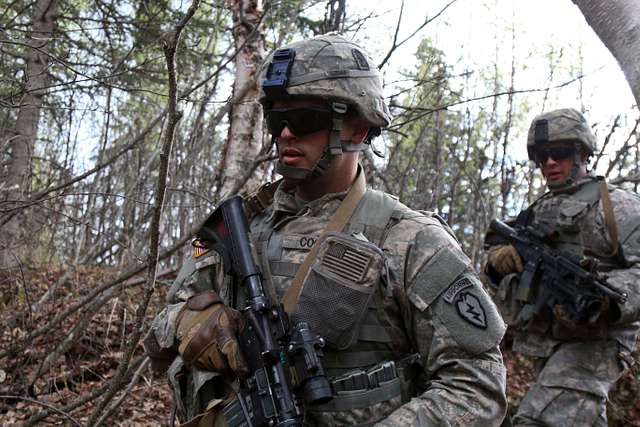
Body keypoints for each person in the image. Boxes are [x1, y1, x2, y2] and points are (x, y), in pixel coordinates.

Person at [145, 33, 507, 426]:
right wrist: (191, 323)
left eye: (303, 120)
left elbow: (477, 386)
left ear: (357, 127)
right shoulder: (235, 230)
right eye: (276, 120)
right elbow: (165, 321)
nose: (285, 134)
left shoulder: (411, 241)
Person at [484, 108, 640, 426]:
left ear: (582, 152)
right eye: (542, 157)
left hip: (599, 340)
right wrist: (498, 263)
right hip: (550, 342)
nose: (550, 163)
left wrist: (609, 299)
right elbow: (492, 262)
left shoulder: (619, 206)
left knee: (537, 420)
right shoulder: (537, 210)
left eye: (559, 153)